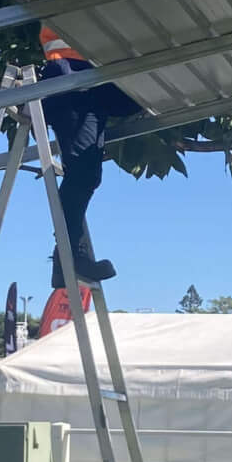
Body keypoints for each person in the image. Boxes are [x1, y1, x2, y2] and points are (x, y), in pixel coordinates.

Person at [37, 25, 139, 286]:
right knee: (83, 173)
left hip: (94, 82)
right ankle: (67, 256)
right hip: (71, 79)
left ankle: (67, 257)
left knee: (87, 173)